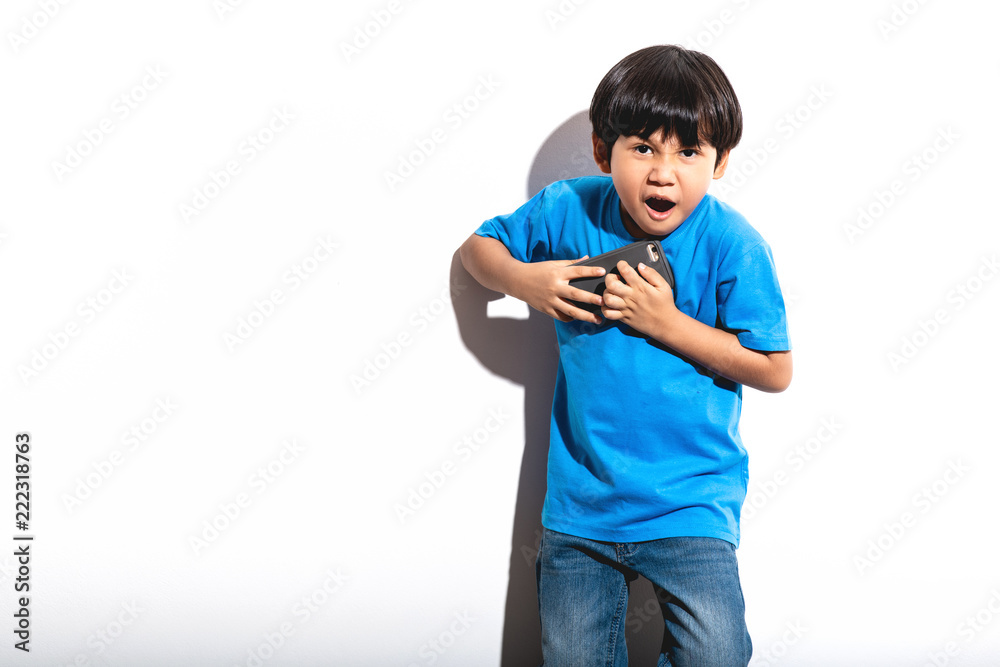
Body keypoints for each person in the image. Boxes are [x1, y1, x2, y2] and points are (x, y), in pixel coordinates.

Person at [459, 44, 792, 666]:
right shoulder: (570, 208)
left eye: (688, 151)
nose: (663, 173)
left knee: (717, 654)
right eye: (643, 148)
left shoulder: (733, 243)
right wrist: (523, 281)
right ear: (600, 150)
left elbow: (775, 369)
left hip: (691, 505)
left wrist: (666, 323)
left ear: (719, 161)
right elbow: (477, 249)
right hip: (581, 509)